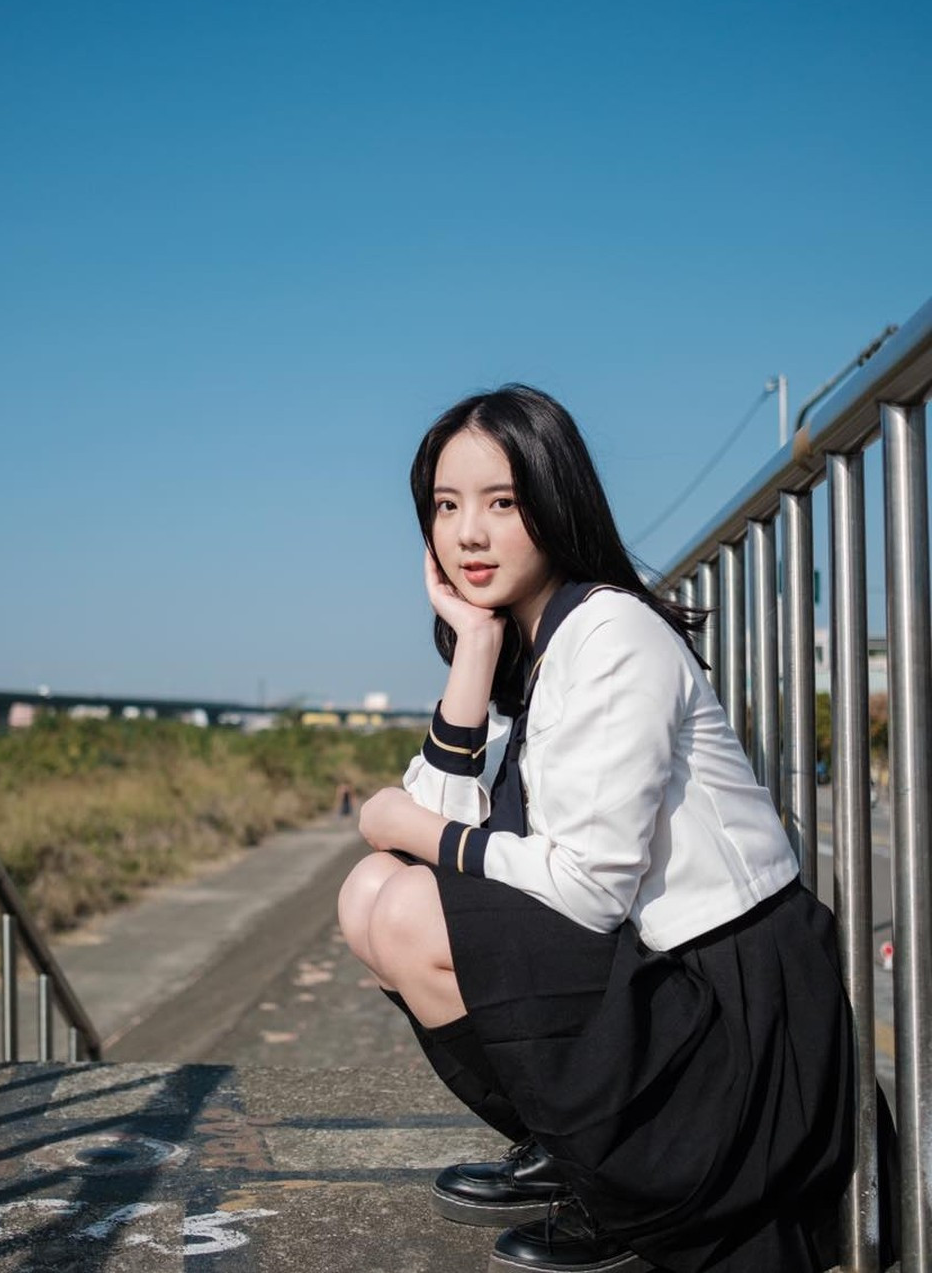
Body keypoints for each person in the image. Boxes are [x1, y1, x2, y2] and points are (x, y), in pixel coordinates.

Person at [337, 385, 870, 1273]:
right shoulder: (533, 644)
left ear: (556, 500)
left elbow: (582, 887)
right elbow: (424, 833)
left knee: (404, 905)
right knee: (371, 895)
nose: (468, 534)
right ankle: (580, 1156)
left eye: (502, 502)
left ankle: (632, 1191)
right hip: (658, 972)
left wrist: (415, 827)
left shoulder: (611, 632)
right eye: (446, 505)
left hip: (737, 1020)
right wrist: (473, 649)